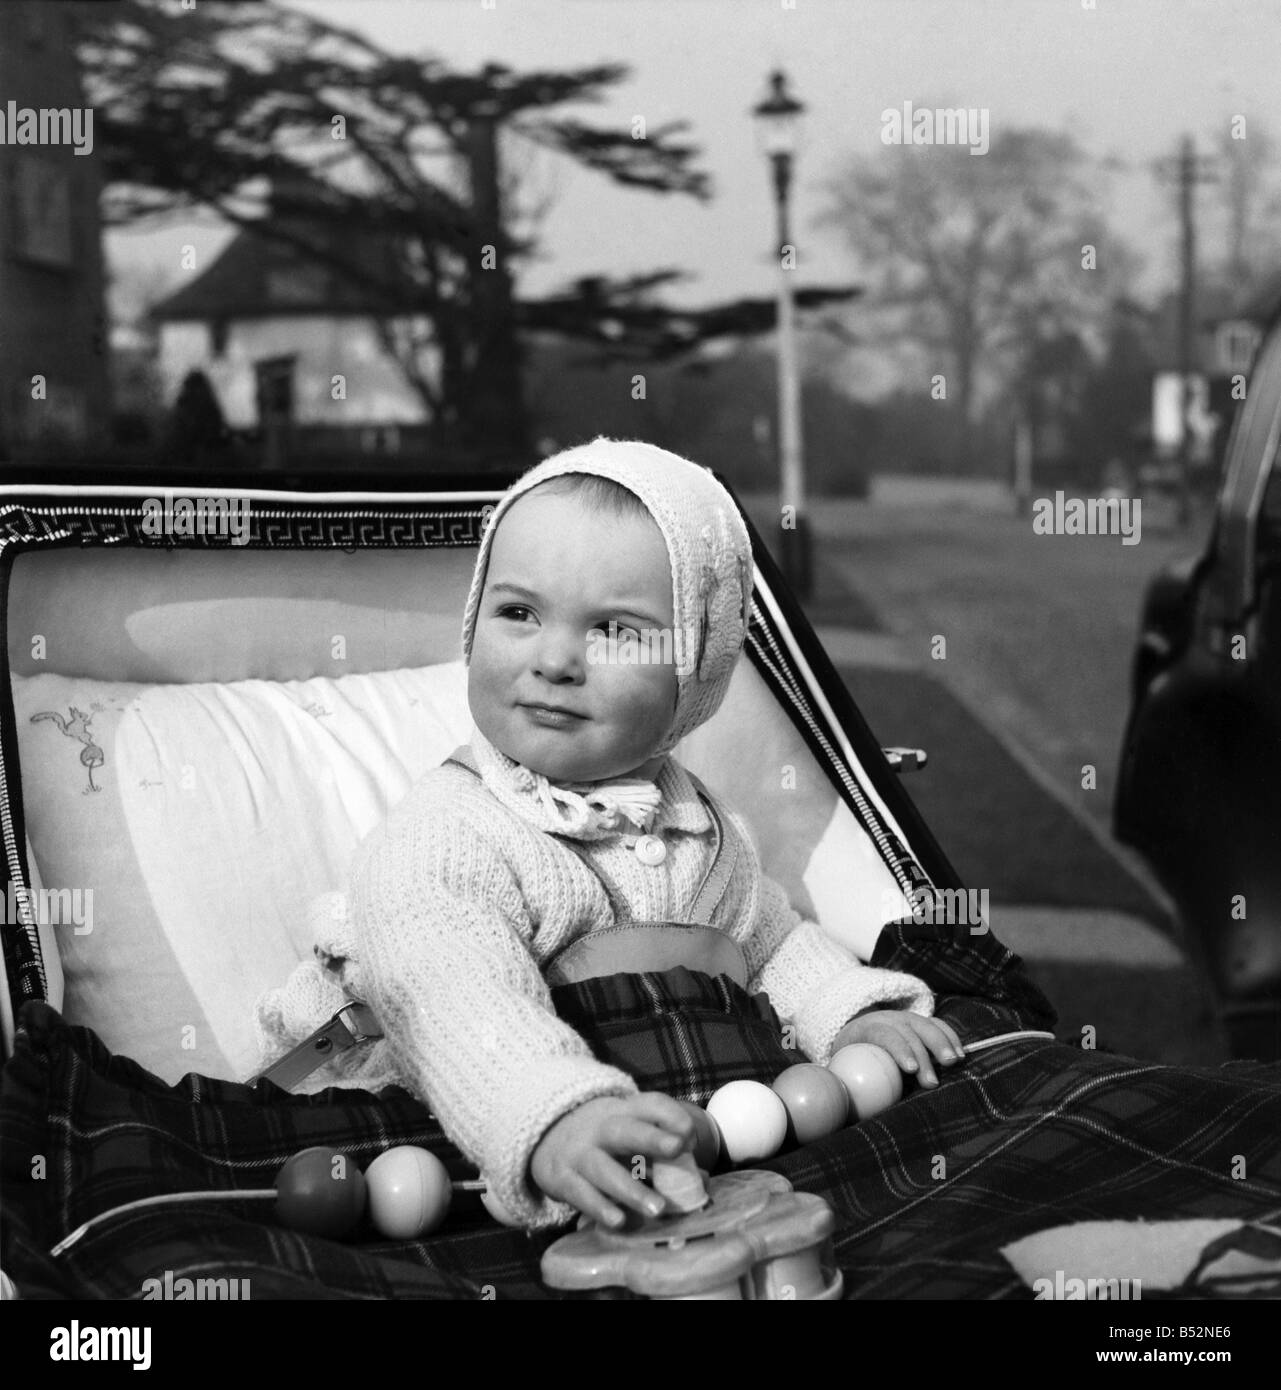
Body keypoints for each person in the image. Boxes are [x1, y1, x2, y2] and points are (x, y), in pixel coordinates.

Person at [341, 438, 962, 1232]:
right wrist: (550, 1114)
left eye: (614, 633)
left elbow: (771, 945)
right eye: (519, 613)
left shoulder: (701, 828)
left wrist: (851, 1014)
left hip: (678, 1139)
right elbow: (451, 993)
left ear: (692, 676)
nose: (556, 659)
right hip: (465, 1145)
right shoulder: (450, 834)